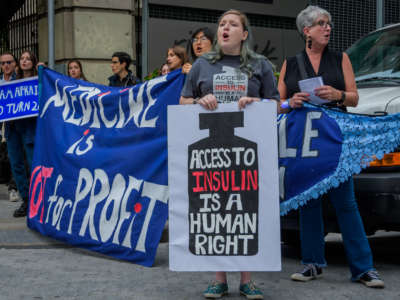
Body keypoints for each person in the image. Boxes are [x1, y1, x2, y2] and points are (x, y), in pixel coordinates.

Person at [278, 5, 384, 288]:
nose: (328, 28)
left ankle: (364, 268)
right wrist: (292, 103)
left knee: (346, 204)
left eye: (329, 24)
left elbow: (354, 98)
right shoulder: (291, 63)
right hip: (305, 144)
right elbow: (277, 104)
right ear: (307, 31)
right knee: (309, 204)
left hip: (336, 142)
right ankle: (312, 263)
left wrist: (338, 94)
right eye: (321, 24)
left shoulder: (341, 59)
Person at [180, 9, 280, 299]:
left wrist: (256, 102)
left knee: (245, 208)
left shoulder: (260, 65)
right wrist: (200, 100)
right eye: (222, 24)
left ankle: (247, 280)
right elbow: (183, 102)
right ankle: (219, 279)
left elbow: (276, 104)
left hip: (247, 150)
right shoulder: (201, 65)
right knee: (216, 211)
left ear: (244, 34)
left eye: (232, 24)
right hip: (211, 150)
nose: (225, 28)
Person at [5, 50, 38, 217]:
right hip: (12, 128)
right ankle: (26, 200)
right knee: (16, 164)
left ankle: (37, 201)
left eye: (28, 58)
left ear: (33, 62)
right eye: (22, 59)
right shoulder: (12, 81)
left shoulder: (39, 81)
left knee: (33, 165)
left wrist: (43, 69)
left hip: (30, 128)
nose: (25, 61)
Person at [0, 52, 22, 203]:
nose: (6, 65)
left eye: (9, 62)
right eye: (3, 63)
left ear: (15, 64)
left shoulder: (21, 81)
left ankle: (15, 189)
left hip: (18, 126)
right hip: (3, 124)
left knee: (18, 160)